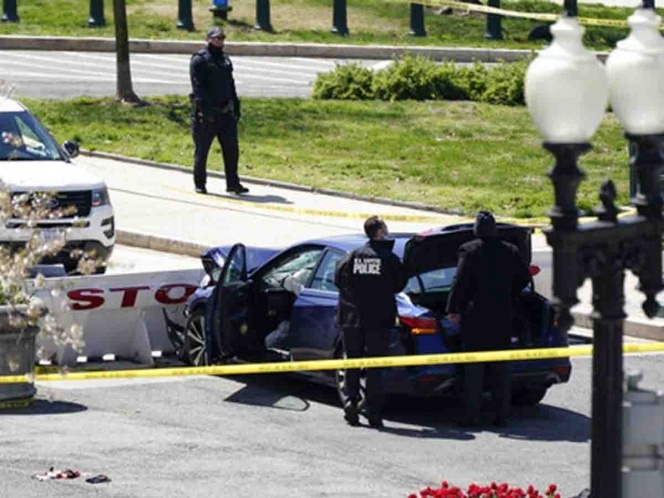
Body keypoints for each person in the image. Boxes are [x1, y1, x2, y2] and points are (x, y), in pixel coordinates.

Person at [446, 210, 531, 428]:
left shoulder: (469, 251)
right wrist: (510, 294)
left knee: (474, 369)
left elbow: (459, 282)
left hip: (476, 317)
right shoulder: (509, 251)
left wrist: (453, 308)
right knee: (500, 369)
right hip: (502, 314)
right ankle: (501, 415)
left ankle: (471, 416)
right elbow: (524, 278)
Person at [334, 216, 407, 428]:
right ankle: (373, 412)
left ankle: (351, 401)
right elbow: (399, 285)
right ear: (380, 233)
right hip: (378, 320)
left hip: (351, 319)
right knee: (375, 366)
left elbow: (338, 280)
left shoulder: (351, 256)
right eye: (385, 227)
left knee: (352, 362)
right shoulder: (389, 258)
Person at [189, 27, 248, 196]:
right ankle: (200, 183)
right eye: (216, 38)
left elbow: (231, 84)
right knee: (202, 150)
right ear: (208, 39)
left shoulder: (224, 60)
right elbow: (198, 88)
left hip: (225, 113)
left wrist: (236, 105)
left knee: (232, 150)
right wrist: (206, 112)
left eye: (221, 38)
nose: (219, 41)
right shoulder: (199, 60)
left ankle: (233, 183)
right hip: (206, 114)